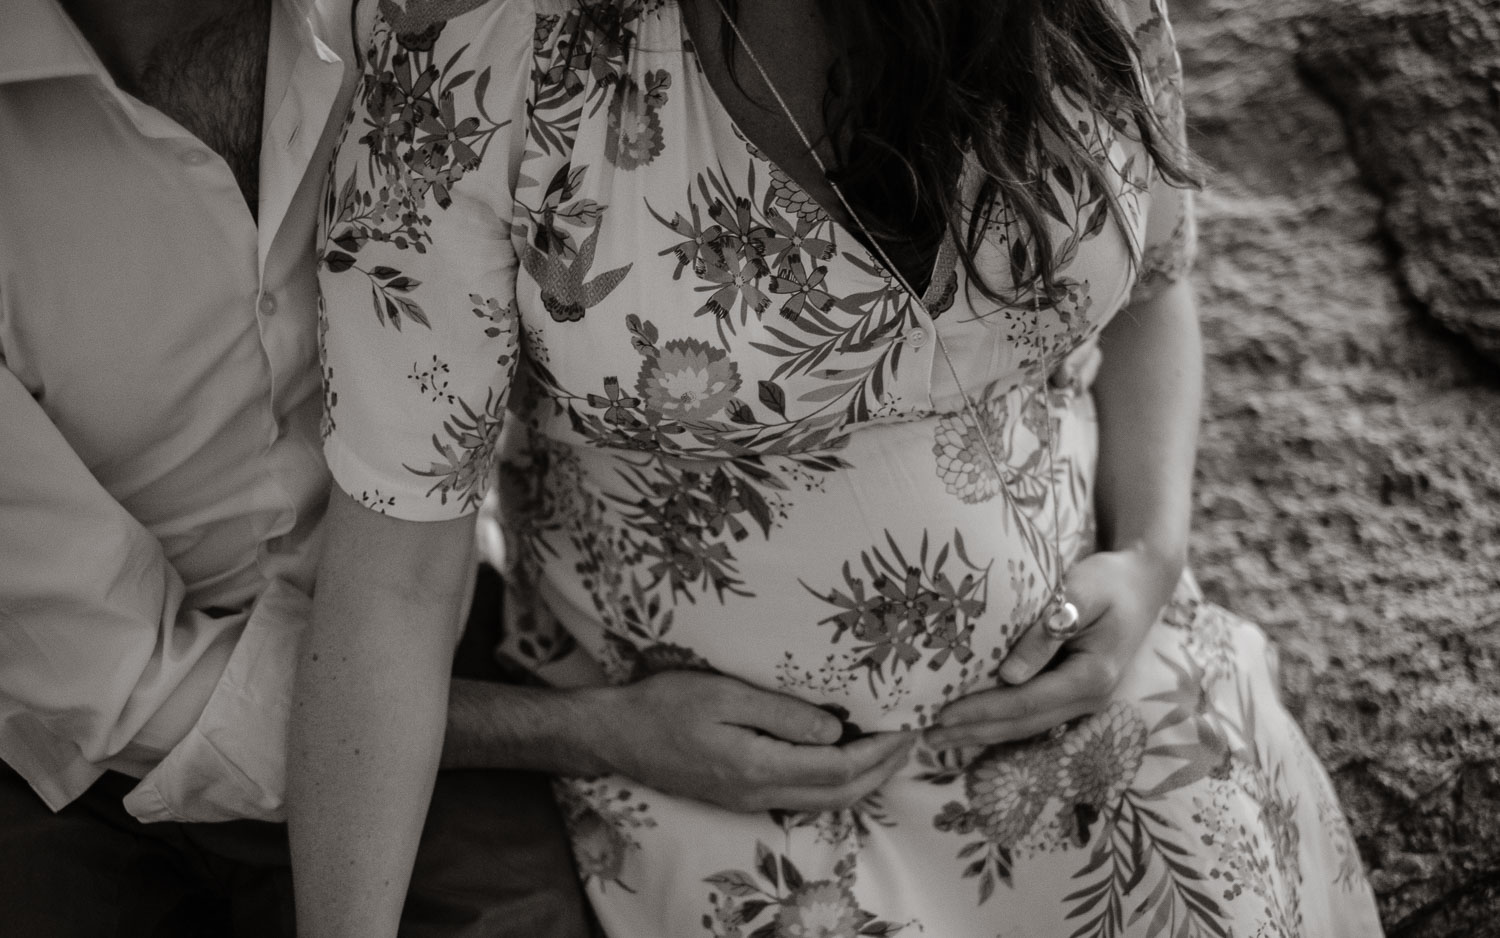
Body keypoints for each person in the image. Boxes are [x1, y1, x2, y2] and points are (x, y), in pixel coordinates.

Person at [297, 0, 1387, 935]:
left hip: (1097, 708)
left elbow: (1153, 282)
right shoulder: (484, 65)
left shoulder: (1079, 12)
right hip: (709, 784)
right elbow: (392, 580)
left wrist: (1150, 551)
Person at [0, 1, 593, 934]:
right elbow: (110, 686)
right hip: (61, 760)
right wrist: (594, 734)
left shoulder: (417, 27)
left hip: (419, 627)